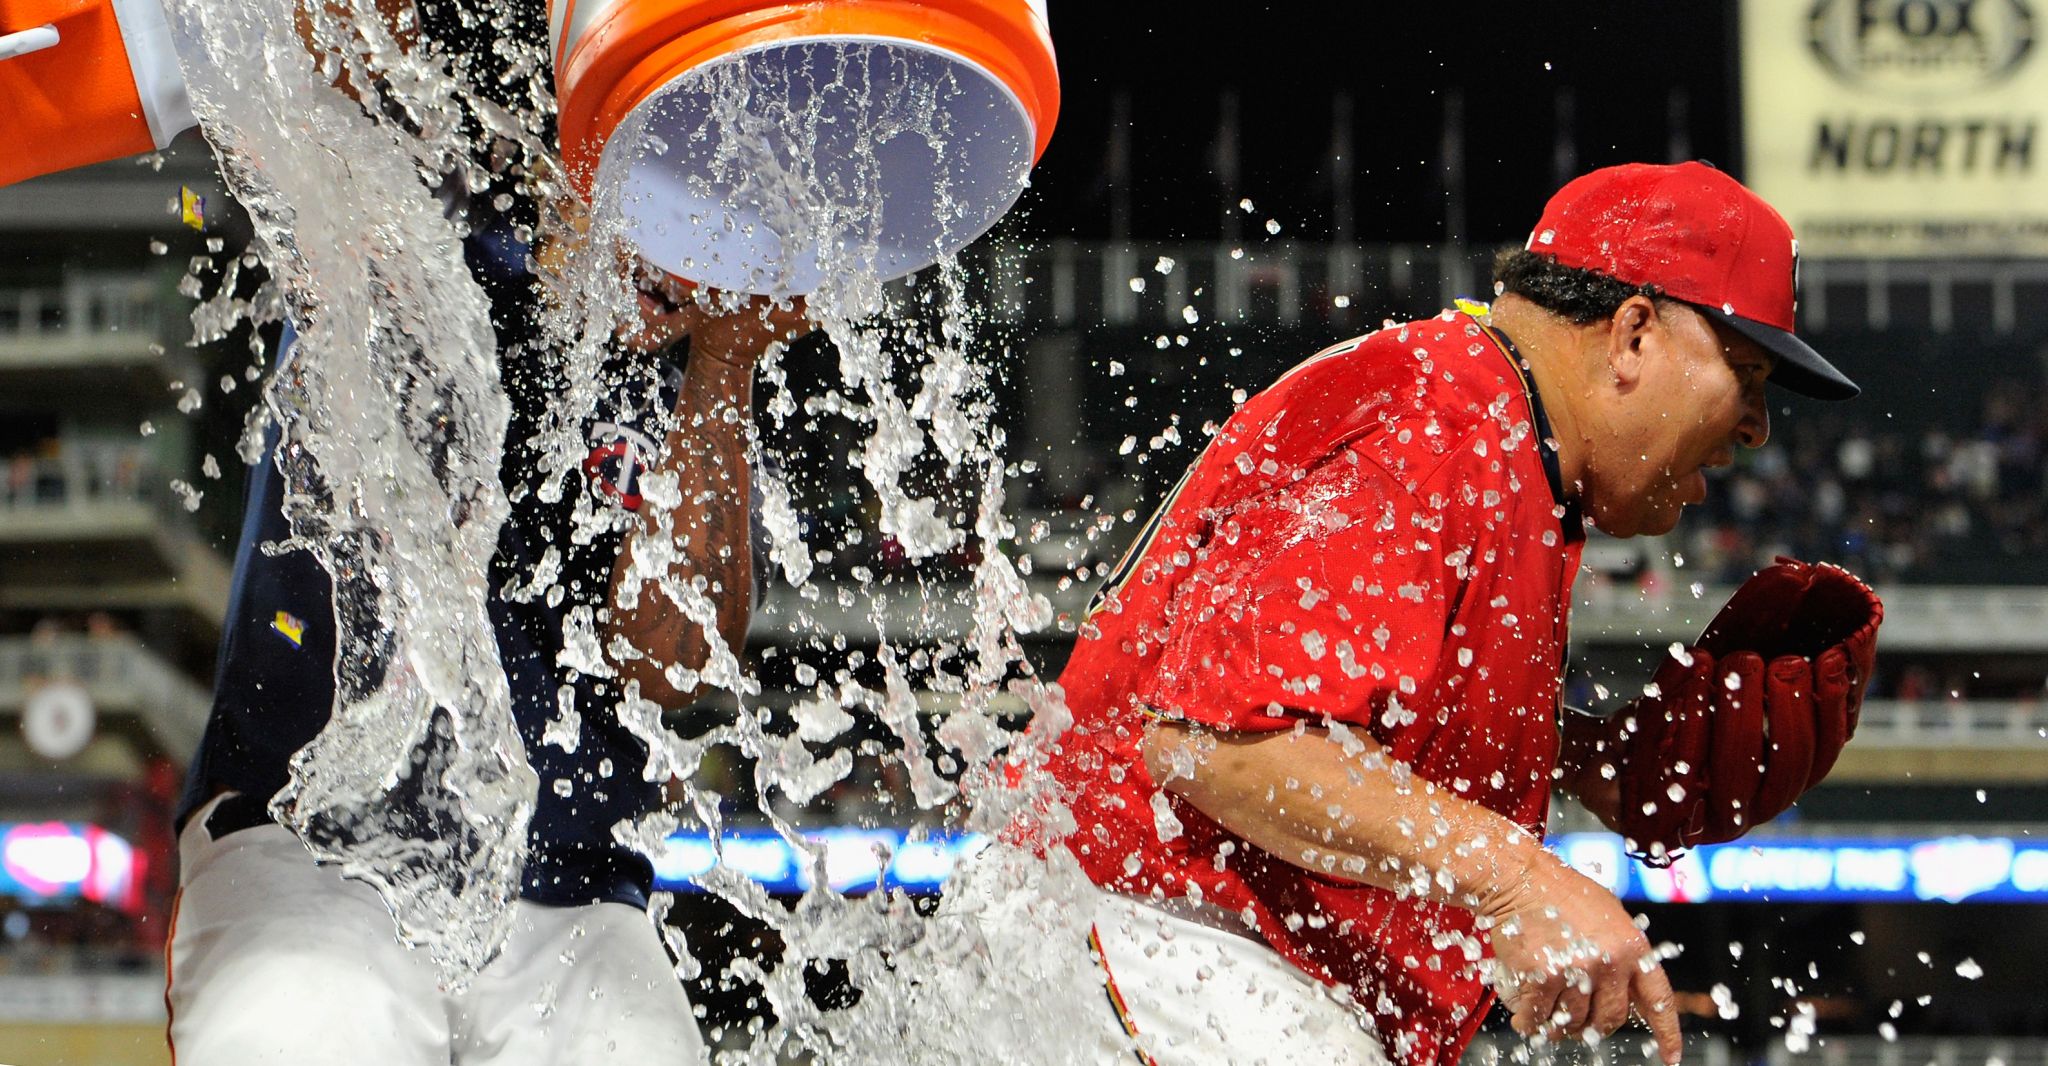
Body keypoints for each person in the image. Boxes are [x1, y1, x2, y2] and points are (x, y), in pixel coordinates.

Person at [1001, 161, 1873, 1066]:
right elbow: (1214, 744)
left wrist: (1578, 757)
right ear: (1635, 335)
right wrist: (1520, 879)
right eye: (1746, 372)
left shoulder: (1496, 425)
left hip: (1168, 954)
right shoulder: (1442, 422)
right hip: (1154, 940)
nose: (1758, 427)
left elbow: (1335, 712)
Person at [164, 237, 811, 1062]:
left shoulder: (680, 369)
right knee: (313, 1000)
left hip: (569, 875)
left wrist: (725, 360)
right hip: (307, 835)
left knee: (630, 1043)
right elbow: (310, 119)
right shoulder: (399, 219)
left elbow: (674, 670)